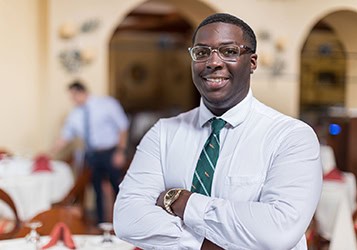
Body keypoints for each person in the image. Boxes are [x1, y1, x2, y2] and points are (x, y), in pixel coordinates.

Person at [113, 13, 322, 249]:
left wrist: (181, 201)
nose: (213, 62)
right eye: (202, 52)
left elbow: (278, 231)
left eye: (229, 51)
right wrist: (205, 244)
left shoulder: (291, 137)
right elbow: (127, 218)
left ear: (252, 62)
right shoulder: (163, 133)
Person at [51, 81, 129, 223]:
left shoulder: (107, 104)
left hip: (109, 151)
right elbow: (65, 136)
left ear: (81, 92)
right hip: (91, 155)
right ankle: (101, 223)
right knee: (96, 189)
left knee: (117, 187)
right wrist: (49, 154)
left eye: (73, 96)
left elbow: (122, 127)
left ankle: (125, 221)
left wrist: (120, 151)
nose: (72, 100)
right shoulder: (75, 114)